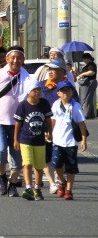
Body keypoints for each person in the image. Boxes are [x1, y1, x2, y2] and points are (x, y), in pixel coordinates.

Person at [0, 46, 33, 198]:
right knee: (1, 151)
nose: (16, 60)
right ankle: (2, 178)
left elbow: (33, 98)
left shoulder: (28, 77)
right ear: (7, 59)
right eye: (12, 57)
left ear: (23, 60)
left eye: (19, 58)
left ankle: (12, 183)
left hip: (18, 124)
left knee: (16, 158)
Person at [13, 81, 53, 201]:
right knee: (27, 163)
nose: (38, 92)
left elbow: (48, 120)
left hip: (40, 140)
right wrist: (16, 139)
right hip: (26, 139)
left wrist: (50, 133)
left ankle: (37, 188)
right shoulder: (23, 105)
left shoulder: (44, 103)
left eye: (39, 90)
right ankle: (28, 187)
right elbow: (18, 124)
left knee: (39, 166)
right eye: (35, 90)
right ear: (28, 92)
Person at [38, 57, 72, 194]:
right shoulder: (41, 86)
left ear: (63, 72)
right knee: (45, 156)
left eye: (54, 69)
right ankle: (52, 183)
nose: (50, 72)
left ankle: (59, 179)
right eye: (49, 69)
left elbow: (73, 106)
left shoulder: (68, 88)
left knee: (59, 157)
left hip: (62, 128)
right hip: (44, 125)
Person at [51, 80, 89, 200]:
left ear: (72, 92)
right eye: (63, 91)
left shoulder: (75, 106)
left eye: (68, 90)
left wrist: (84, 139)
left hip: (71, 141)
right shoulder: (56, 105)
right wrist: (48, 134)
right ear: (58, 93)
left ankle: (68, 190)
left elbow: (81, 124)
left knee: (71, 167)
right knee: (56, 164)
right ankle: (62, 181)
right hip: (57, 140)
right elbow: (53, 121)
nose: (66, 93)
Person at [77, 53, 96, 119]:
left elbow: (92, 72)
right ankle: (90, 114)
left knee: (86, 98)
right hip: (87, 83)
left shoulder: (91, 65)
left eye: (84, 59)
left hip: (89, 83)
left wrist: (82, 74)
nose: (83, 61)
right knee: (87, 98)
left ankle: (86, 114)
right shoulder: (88, 65)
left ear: (88, 58)